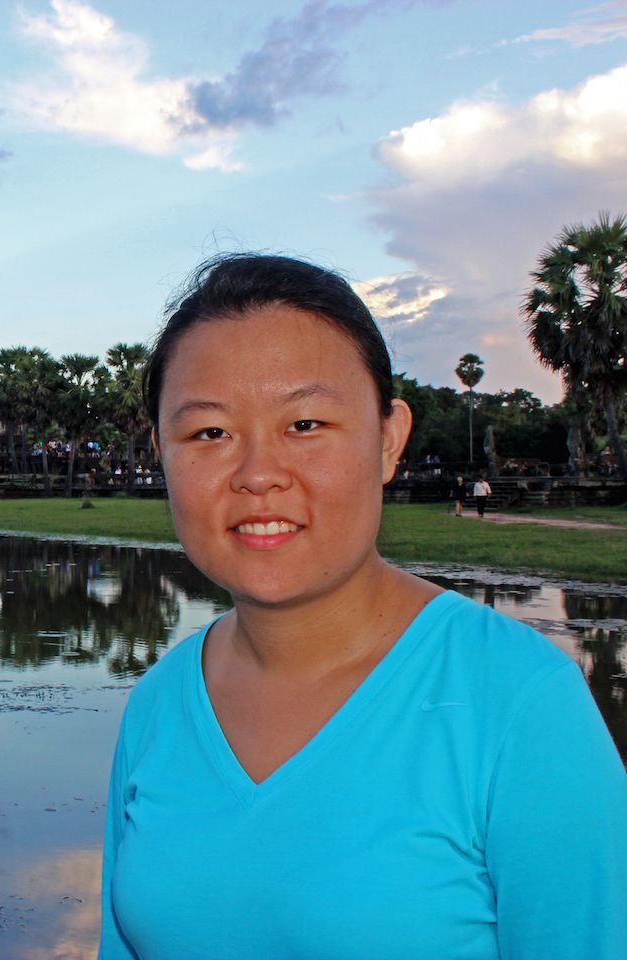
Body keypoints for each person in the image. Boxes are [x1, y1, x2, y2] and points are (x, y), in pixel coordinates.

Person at [98, 254, 625, 960]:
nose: (257, 474)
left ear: (390, 439)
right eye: (210, 433)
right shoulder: (159, 705)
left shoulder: (521, 704)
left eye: (306, 423)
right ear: (162, 452)